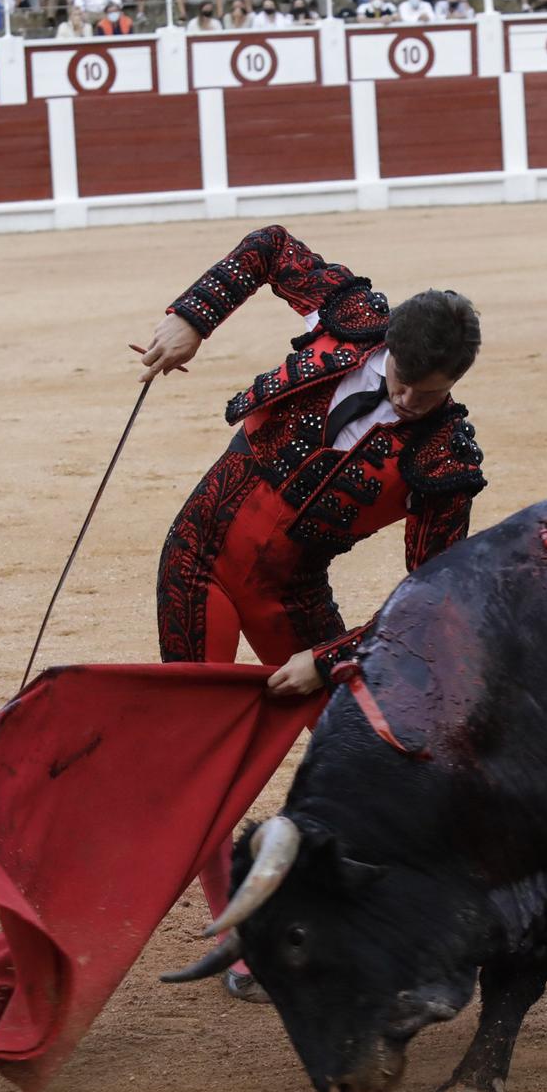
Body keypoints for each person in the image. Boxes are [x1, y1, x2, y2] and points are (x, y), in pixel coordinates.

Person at [135, 227, 485, 1001]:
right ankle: (241, 931)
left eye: (428, 394)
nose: (406, 400)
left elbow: (426, 602)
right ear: (387, 343)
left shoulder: (442, 460)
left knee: (367, 756)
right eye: (401, 380)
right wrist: (194, 316)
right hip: (195, 558)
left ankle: (346, 909)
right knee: (202, 755)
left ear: (453, 383)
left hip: (290, 598)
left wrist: (329, 658)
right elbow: (267, 249)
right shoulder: (351, 314)